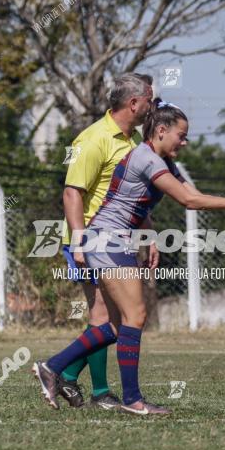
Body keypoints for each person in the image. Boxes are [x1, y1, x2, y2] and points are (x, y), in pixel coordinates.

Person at [33, 98, 225, 415]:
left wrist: (151, 237)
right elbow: (189, 200)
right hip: (105, 241)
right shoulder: (147, 159)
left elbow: (189, 195)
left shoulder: (161, 161)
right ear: (160, 130)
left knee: (118, 327)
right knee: (136, 317)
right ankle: (132, 400)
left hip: (110, 241)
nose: (184, 142)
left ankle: (54, 366)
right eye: (181, 135)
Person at [56, 72, 155, 410]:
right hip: (91, 241)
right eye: (149, 100)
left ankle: (67, 374)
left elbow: (135, 196)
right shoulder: (93, 138)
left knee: (112, 319)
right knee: (106, 318)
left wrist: (149, 236)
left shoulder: (132, 143)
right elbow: (72, 192)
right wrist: (80, 242)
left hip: (115, 240)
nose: (152, 106)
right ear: (134, 103)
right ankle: (89, 387)